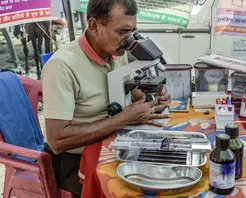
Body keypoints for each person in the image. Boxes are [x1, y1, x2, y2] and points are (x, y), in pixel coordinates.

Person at [41, 0, 171, 197]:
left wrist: (153, 99)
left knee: (163, 171)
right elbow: (57, 140)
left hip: (112, 145)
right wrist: (123, 119)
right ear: (94, 26)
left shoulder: (117, 53)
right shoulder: (62, 66)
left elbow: (134, 94)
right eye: (122, 32)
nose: (128, 40)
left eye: (132, 31)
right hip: (74, 162)